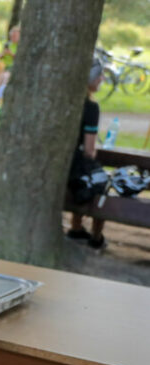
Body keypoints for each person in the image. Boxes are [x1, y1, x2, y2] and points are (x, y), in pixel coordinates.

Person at [67, 61, 106, 249]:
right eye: (100, 75)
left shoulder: (63, 100)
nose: (102, 79)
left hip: (59, 166)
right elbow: (89, 151)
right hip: (71, 168)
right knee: (99, 180)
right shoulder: (90, 107)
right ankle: (96, 236)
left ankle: (76, 227)